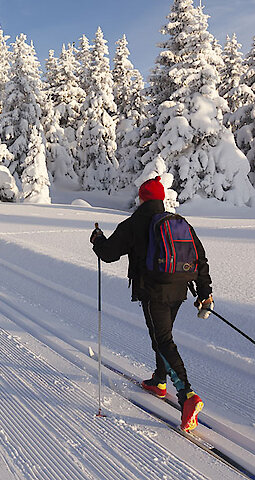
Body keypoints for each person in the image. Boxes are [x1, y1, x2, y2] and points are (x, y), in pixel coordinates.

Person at [90, 177, 213, 432]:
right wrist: (205, 293)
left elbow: (108, 253)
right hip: (179, 290)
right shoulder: (179, 223)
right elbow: (200, 259)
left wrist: (97, 239)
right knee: (161, 335)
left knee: (162, 340)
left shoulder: (135, 223)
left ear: (142, 198)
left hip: (153, 291)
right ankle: (159, 380)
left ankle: (187, 396)